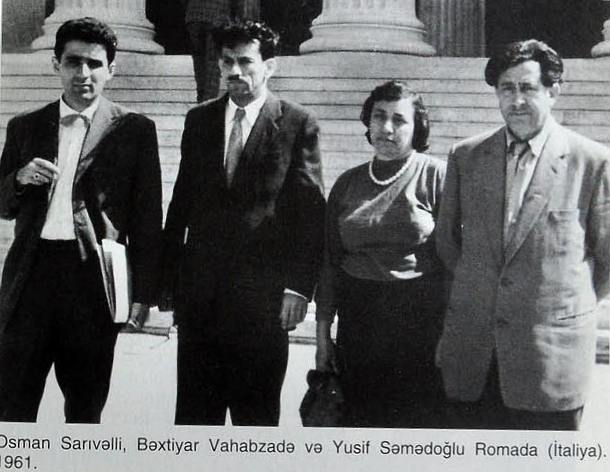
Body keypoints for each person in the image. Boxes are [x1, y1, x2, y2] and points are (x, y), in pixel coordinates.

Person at [435, 39, 610, 430]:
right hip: (475, 357)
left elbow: (606, 259)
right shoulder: (466, 156)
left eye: (528, 88)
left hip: (550, 361)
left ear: (553, 91)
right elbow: (448, 244)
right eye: (506, 88)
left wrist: (556, 305)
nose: (516, 101)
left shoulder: (592, 162)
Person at [160, 19, 325, 426]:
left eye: (246, 62)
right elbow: (181, 202)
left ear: (269, 66)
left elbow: (310, 214)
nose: (234, 71)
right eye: (227, 61)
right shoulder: (199, 120)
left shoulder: (296, 122)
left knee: (256, 424)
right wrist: (168, 281)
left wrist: (299, 288)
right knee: (195, 424)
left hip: (262, 304)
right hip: (201, 302)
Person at [0, 17, 163, 423]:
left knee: (85, 410)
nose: (83, 73)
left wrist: (144, 293)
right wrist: (18, 179)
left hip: (91, 282)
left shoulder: (134, 130)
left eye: (94, 63)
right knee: (12, 406)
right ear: (56, 64)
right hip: (30, 280)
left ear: (112, 69)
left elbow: (147, 218)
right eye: (73, 62)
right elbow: (3, 205)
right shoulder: (24, 126)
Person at [315, 81, 447, 428]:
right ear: (368, 122)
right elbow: (330, 263)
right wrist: (322, 337)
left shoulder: (436, 175)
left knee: (412, 425)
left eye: (399, 119)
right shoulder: (347, 183)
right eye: (379, 116)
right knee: (360, 421)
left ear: (417, 127)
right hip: (358, 321)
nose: (387, 128)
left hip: (419, 320)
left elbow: (455, 261)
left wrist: (450, 333)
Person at [181, 0, 260, 102]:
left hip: (194, 15)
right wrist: (241, 20)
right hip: (216, 15)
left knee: (199, 62)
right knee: (212, 63)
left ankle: (201, 98)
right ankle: (208, 101)